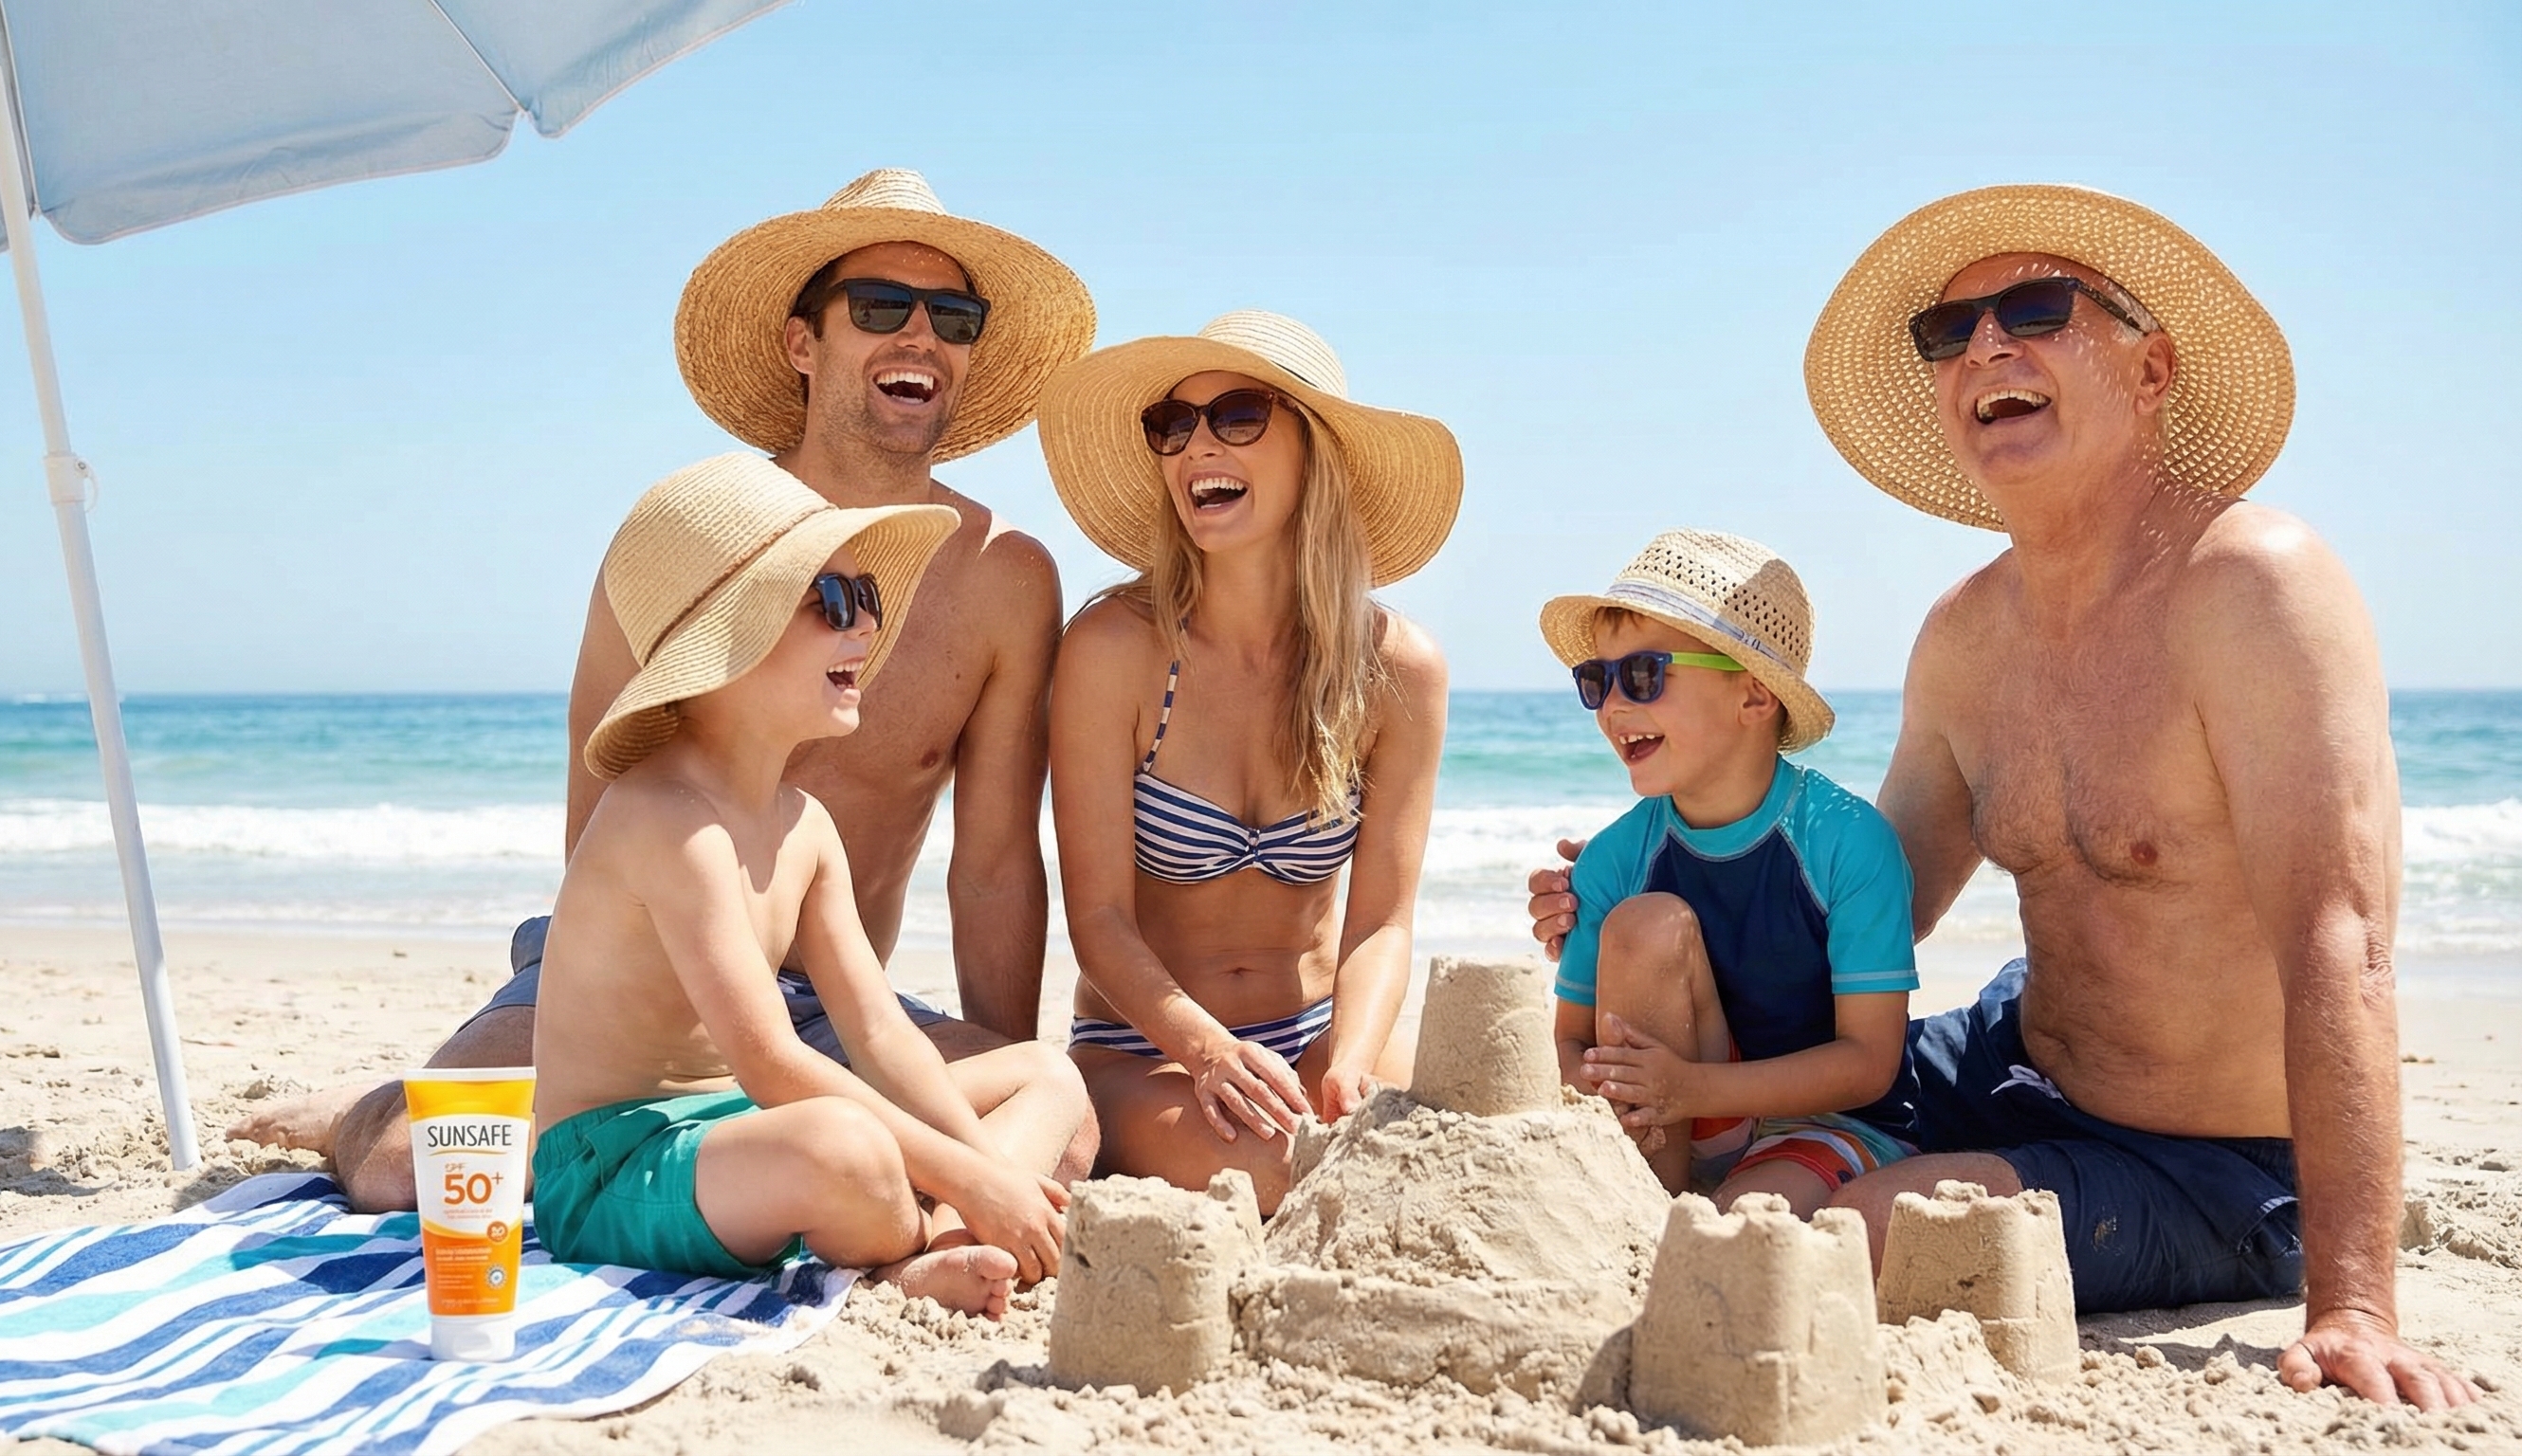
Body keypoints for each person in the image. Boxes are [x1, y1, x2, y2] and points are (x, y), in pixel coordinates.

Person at [1533, 186, 2476, 1409]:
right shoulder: (1967, 634)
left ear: (2150, 370)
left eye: (2033, 309)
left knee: (1847, 1237)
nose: (1985, 345)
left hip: (2207, 1159)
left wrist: (2355, 1305)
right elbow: (1863, 913)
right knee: (1731, 1171)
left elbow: (2338, 941)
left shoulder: (2254, 590)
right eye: (1951, 330)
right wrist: (1632, 907)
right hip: (2002, 1058)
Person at [232, 170, 1101, 1210]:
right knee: (416, 1168)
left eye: (952, 317)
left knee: (1062, 1126)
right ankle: (364, 1105)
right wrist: (655, 1034)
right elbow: (604, 808)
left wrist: (976, 1092)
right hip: (646, 979)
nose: (920, 336)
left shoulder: (1006, 577)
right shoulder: (691, 544)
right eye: (879, 308)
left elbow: (996, 864)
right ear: (801, 343)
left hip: (833, 1002)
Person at [532, 452, 1069, 1320]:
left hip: (739, 1132)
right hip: (614, 1166)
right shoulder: (668, 820)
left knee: (1046, 1078)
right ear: (728, 639)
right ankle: (900, 1265)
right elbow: (775, 1062)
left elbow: (882, 1032)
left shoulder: (803, 824)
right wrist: (972, 1175)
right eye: (832, 603)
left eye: (871, 600)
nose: (864, 631)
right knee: (846, 1147)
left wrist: (987, 1174)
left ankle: (941, 1238)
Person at [1038, 312, 1457, 1213]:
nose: (1197, 446)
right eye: (1173, 425)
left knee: (1455, 1151)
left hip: (1316, 1033)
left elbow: (1381, 923)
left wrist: (1348, 1062)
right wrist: (1208, 1053)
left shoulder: (1398, 669)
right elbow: (1100, 920)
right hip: (1143, 1049)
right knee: (1288, 1172)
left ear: (1317, 455)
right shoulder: (1115, 648)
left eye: (1237, 415)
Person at [1540, 530, 1916, 1217]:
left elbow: (1870, 1063)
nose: (1614, 707)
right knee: (1645, 924)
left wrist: (1692, 1089)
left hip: (1826, 1125)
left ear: (1753, 696)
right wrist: (1603, 1088)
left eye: (1646, 675)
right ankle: (1645, 1202)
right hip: (1674, 1123)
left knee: (1746, 1227)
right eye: (1597, 681)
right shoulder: (1614, 861)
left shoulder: (1849, 841)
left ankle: (1677, 1216)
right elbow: (1568, 1039)